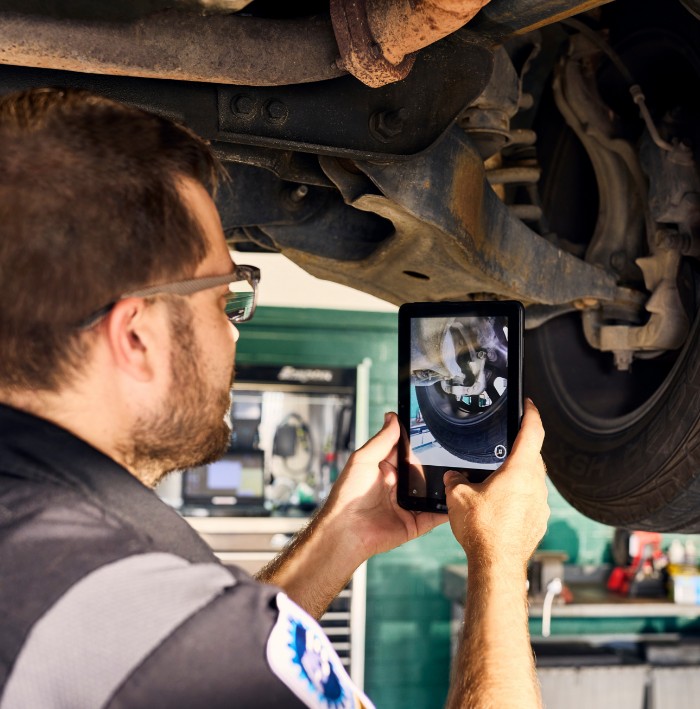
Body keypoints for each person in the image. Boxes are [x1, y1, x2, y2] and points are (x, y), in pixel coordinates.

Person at [0, 87, 550, 708]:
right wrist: (500, 562)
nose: (235, 328)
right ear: (136, 336)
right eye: (223, 299)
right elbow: (202, 652)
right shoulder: (163, 636)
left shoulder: (41, 548)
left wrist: (345, 536)